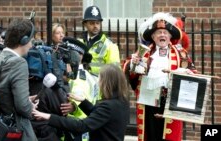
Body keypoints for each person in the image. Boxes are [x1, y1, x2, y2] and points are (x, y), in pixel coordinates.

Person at [123, 12, 197, 141]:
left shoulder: (180, 53)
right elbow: (129, 71)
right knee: (151, 135)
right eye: (159, 32)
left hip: (170, 103)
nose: (162, 35)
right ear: (153, 36)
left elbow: (192, 73)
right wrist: (132, 65)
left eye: (165, 32)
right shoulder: (144, 52)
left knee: (169, 136)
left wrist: (187, 73)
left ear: (170, 36)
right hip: (148, 104)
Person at [33, 64, 130, 141]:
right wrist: (83, 101)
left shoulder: (108, 106)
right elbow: (99, 117)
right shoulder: (121, 102)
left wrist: (48, 116)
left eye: (100, 79)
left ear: (106, 82)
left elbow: (82, 126)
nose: (98, 82)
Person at [0, 19, 37, 141]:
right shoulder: (19, 63)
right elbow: (22, 107)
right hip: (13, 130)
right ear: (24, 40)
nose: (31, 45)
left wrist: (25, 100)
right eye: (31, 40)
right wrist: (31, 108)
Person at [78, 6, 120, 75]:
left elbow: (115, 72)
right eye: (92, 23)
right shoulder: (79, 43)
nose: (95, 26)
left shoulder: (110, 45)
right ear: (85, 24)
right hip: (81, 81)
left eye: (97, 23)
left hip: (100, 83)